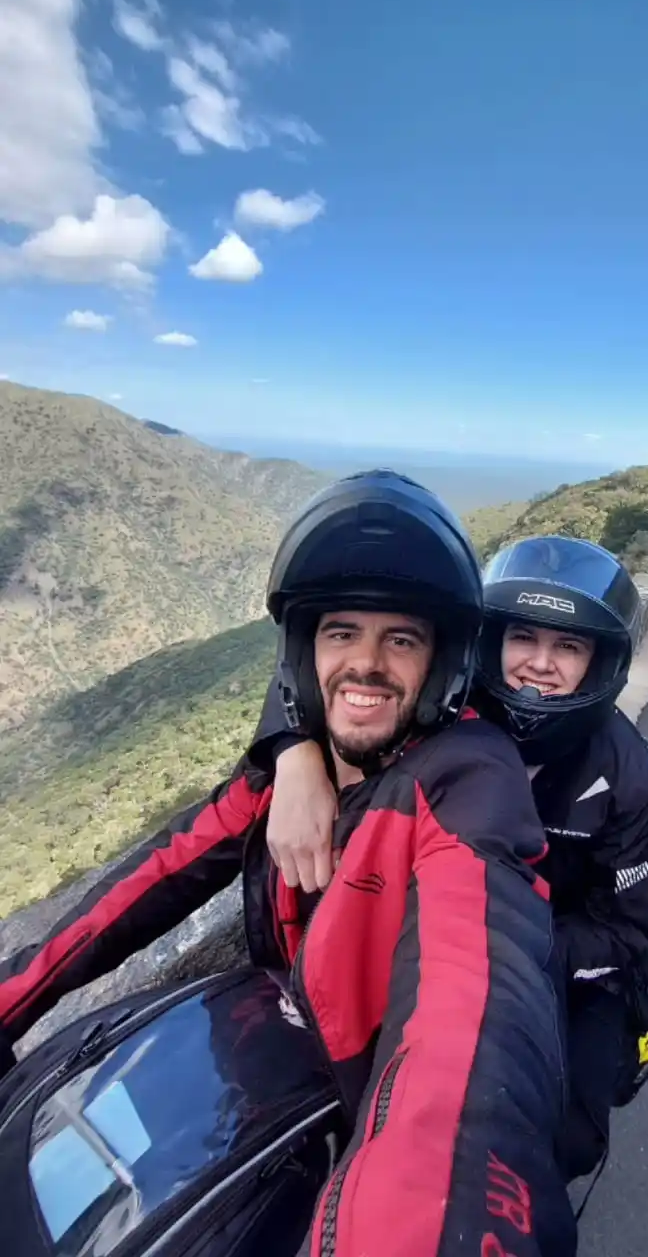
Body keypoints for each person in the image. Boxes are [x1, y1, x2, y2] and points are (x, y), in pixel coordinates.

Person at [0, 471, 578, 1257]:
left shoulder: (467, 781)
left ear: (439, 663)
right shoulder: (283, 775)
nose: (366, 664)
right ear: (306, 656)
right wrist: (14, 995)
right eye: (341, 632)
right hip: (272, 1079)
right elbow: (147, 882)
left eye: (400, 639)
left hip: (365, 1114)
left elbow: (473, 997)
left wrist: (435, 1218)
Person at [250, 531, 648, 1184]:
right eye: (524, 639)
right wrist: (292, 752)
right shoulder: (446, 707)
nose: (539, 664)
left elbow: (620, 930)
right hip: (431, 932)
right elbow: (333, 676)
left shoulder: (635, 777)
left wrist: (507, 956)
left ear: (599, 662)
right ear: (492, 643)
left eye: (567, 647)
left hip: (558, 961)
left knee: (570, 1137)